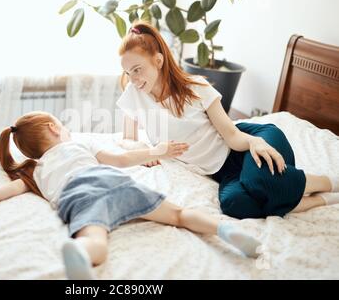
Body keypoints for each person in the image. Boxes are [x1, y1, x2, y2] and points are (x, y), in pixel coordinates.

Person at [0, 111, 262, 280]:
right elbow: (122, 160)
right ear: (55, 129)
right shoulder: (80, 144)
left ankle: (82, 253)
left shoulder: (36, 170)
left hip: (77, 195)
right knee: (178, 215)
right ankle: (226, 231)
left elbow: (12, 188)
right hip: (111, 180)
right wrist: (157, 152)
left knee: (96, 238)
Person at [116, 21, 339, 220]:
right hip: (222, 171)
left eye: (137, 69)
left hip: (248, 141)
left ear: (158, 60)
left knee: (259, 183)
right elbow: (127, 137)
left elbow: (232, 136)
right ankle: (322, 200)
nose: (134, 79)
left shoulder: (196, 88)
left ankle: (328, 182)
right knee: (236, 205)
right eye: (128, 72)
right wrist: (143, 148)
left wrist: (255, 142)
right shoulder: (134, 95)